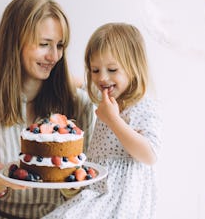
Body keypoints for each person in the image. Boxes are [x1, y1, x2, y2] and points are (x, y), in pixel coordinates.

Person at [0, 0, 95, 219]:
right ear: (14, 43)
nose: (54, 56)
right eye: (44, 44)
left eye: (60, 45)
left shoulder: (78, 105)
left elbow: (88, 195)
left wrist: (71, 185)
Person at [43, 22, 162, 219]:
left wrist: (114, 121)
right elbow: (80, 84)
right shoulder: (109, 99)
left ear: (134, 68)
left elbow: (150, 155)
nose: (102, 78)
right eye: (95, 70)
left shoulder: (144, 105)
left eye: (112, 69)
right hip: (97, 188)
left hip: (121, 198)